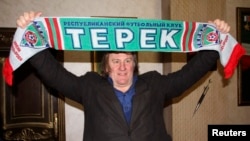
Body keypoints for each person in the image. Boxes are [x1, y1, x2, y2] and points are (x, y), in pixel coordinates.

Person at [16, 11, 230, 141]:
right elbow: (55, 76)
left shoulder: (155, 84)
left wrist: (214, 44)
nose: (122, 67)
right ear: (106, 67)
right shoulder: (89, 86)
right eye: (115, 61)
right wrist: (33, 39)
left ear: (135, 65)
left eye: (128, 60)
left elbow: (189, 74)